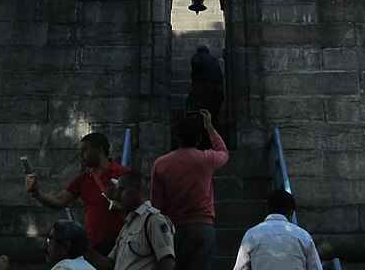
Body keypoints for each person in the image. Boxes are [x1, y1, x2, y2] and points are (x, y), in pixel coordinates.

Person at [151, 108, 229, 270]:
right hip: (202, 227)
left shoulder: (161, 163)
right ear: (199, 139)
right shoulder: (206, 159)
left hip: (173, 228)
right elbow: (223, 152)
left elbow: (156, 204)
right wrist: (209, 127)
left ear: (177, 137)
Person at [27, 132, 129, 255]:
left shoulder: (123, 174)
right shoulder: (83, 180)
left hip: (122, 243)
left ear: (100, 149)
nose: (82, 154)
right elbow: (59, 201)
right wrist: (37, 193)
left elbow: (139, 205)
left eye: (85, 149)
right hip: (94, 246)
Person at [84, 170, 176, 270]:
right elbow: (109, 264)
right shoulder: (127, 226)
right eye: (117, 190)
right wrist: (86, 249)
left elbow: (167, 262)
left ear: (137, 189)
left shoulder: (153, 220)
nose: (117, 194)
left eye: (122, 189)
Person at [232, 190, 322, 270]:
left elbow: (241, 267)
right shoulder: (303, 236)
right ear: (291, 212)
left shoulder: (251, 235)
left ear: (268, 209)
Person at [0, 220, 96, 270]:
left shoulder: (65, 267)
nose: (45, 246)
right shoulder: (87, 266)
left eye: (50, 241)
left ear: (66, 246)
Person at [188, 46, 224, 125]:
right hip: (218, 91)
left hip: (205, 91)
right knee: (213, 116)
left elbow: (195, 75)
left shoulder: (197, 57)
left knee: (200, 114)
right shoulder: (214, 59)